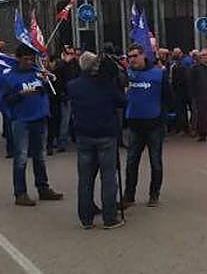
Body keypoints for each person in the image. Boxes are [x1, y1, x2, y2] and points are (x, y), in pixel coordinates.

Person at [67, 52, 126, 229]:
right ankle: (110, 217)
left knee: (85, 178)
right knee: (108, 177)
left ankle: (86, 218)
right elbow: (122, 101)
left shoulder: (73, 86)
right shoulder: (106, 85)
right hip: (106, 134)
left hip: (84, 134)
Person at [3, 45, 63, 206]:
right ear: (18, 59)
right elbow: (6, 100)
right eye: (26, 59)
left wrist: (47, 81)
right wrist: (20, 94)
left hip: (40, 117)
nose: (29, 62)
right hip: (21, 120)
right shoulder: (10, 76)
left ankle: (43, 187)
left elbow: (52, 91)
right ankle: (20, 193)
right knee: (21, 157)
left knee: (40, 156)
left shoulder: (38, 73)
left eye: (31, 59)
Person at [123, 44, 173, 208]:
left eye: (135, 56)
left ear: (143, 55)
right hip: (134, 124)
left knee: (155, 162)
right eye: (129, 57)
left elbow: (168, 97)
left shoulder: (158, 74)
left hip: (154, 124)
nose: (132, 59)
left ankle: (154, 194)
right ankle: (129, 195)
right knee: (131, 162)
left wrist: (162, 116)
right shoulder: (127, 74)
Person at [52, 46, 80, 152]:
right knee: (65, 120)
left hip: (74, 95)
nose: (71, 56)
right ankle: (62, 142)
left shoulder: (76, 65)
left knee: (75, 119)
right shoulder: (61, 65)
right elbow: (57, 79)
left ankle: (75, 139)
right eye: (69, 53)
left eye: (72, 54)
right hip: (65, 95)